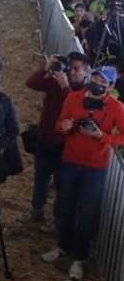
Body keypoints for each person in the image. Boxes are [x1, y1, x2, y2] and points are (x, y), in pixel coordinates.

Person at [43, 67, 124, 281]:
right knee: (65, 206)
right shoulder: (73, 97)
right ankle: (62, 246)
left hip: (96, 167)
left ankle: (79, 258)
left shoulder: (116, 108)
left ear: (110, 86)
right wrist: (65, 126)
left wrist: (102, 136)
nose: (97, 82)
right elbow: (60, 124)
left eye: (103, 81)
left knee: (87, 213)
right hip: (70, 161)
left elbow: (122, 137)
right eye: (95, 78)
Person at [24, 52, 90, 227]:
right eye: (70, 68)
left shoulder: (88, 92)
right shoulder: (55, 81)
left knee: (63, 185)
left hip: (67, 146)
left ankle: (57, 220)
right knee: (41, 178)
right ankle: (36, 212)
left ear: (86, 71)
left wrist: (65, 88)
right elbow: (31, 83)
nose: (72, 72)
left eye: (77, 69)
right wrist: (46, 68)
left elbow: (78, 111)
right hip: (46, 139)